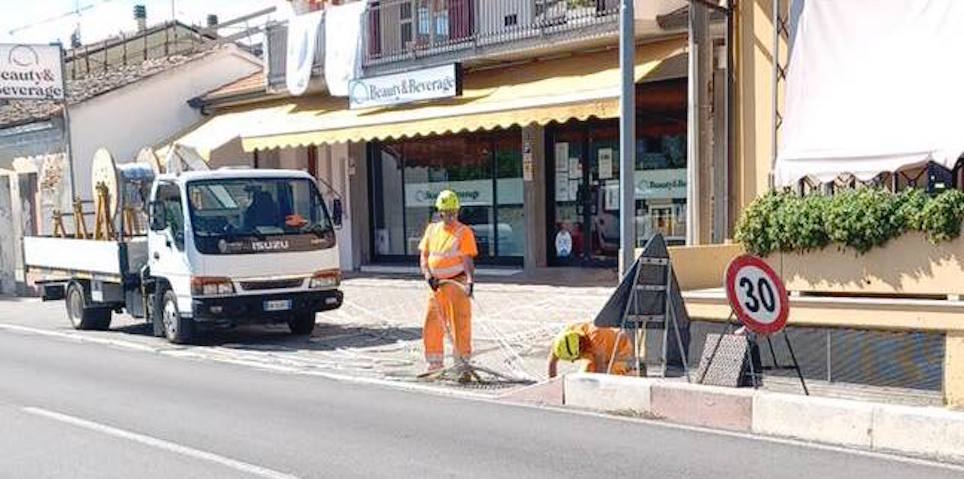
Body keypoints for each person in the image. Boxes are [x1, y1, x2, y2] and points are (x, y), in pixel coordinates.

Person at [419, 190, 478, 380]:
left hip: (457, 282)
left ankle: (462, 367)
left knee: (460, 323)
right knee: (432, 323)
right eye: (447, 212)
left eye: (453, 212)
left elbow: (467, 259)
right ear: (440, 211)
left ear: (458, 211)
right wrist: (428, 275)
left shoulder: (463, 232)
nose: (450, 216)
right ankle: (434, 364)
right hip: (436, 286)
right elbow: (425, 256)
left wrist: (469, 281)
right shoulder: (432, 230)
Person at [547, 321, 635, 378]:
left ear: (581, 346)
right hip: (594, 352)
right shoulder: (561, 340)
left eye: (576, 358)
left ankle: (634, 373)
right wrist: (552, 387)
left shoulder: (595, 337)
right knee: (584, 378)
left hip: (620, 348)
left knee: (613, 377)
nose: (575, 361)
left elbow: (601, 372)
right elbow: (551, 363)